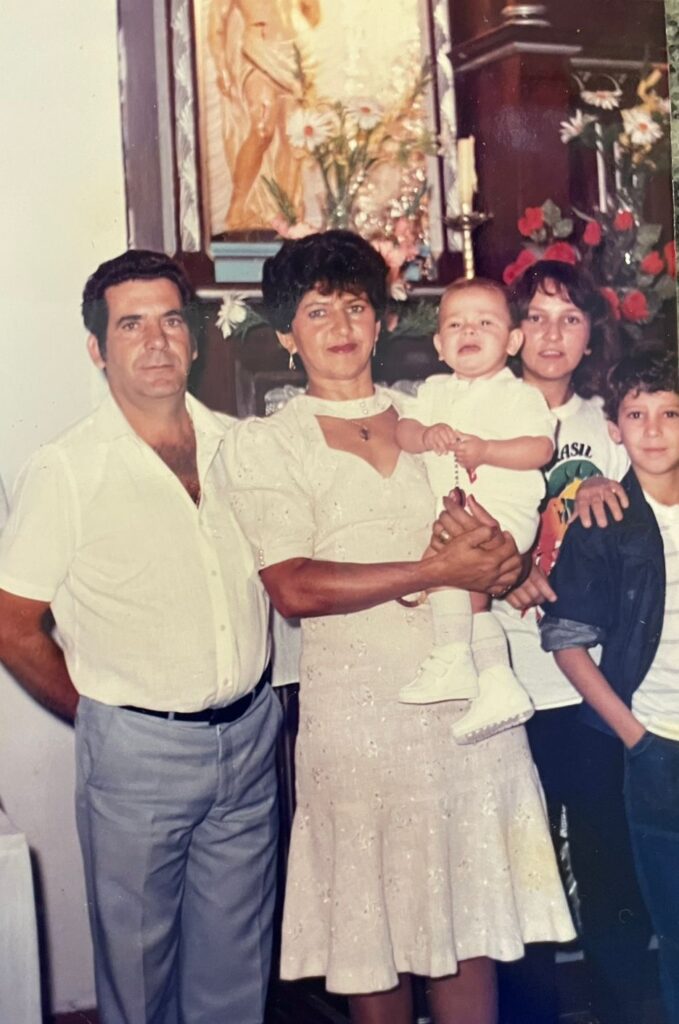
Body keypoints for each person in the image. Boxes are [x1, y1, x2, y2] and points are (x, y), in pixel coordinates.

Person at [229, 230, 574, 1024]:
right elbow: (293, 586)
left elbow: (494, 541)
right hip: (357, 721)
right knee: (372, 937)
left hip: (465, 715)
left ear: (382, 321)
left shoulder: (434, 417)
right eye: (317, 311)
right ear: (286, 334)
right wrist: (431, 571)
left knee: (468, 928)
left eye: (355, 306)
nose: (341, 326)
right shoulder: (268, 443)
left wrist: (504, 563)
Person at [0, 250, 280, 1024]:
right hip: (135, 751)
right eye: (131, 326)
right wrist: (99, 715)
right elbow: (11, 623)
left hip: (249, 740)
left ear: (194, 336)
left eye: (170, 321)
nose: (156, 342)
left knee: (236, 975)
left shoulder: (241, 446)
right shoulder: (67, 469)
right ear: (97, 349)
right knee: (138, 975)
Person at [494, 260, 652, 1024]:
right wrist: (504, 569)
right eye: (535, 316)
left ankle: (623, 1006)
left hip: (585, 685)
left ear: (591, 334)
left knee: (605, 862)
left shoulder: (607, 425)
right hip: (505, 679)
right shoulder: (484, 411)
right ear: (511, 330)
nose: (551, 335)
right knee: (519, 872)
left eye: (569, 318)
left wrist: (603, 489)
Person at [541, 348, 679, 1024]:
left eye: (670, 414)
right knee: (673, 926)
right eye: (636, 415)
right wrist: (635, 737)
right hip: (658, 747)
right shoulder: (604, 522)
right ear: (614, 429)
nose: (653, 431)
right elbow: (565, 640)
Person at [396, 278, 554, 744]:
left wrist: (487, 450)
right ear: (438, 345)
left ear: (513, 341)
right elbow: (403, 430)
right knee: (465, 593)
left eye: (485, 323)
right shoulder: (434, 391)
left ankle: (454, 658)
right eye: (455, 324)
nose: (469, 331)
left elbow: (540, 448)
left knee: (449, 572)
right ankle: (496, 681)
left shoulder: (520, 395)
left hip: (502, 512)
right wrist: (425, 436)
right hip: (457, 512)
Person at [208, 0, 321, 231]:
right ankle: (237, 207)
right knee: (262, 128)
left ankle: (288, 213)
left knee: (293, 137)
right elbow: (216, 25)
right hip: (257, 51)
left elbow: (313, 14)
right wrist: (222, 69)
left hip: (293, 54)